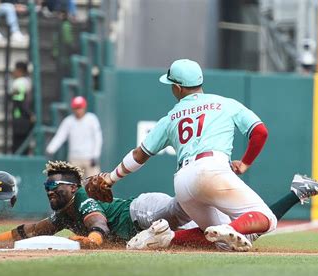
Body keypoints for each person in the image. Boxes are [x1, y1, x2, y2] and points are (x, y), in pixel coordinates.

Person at [97, 59, 279, 252]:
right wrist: (244, 164)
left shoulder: (170, 117)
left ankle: (167, 238)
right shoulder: (225, 104)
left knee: (221, 242)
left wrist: (110, 178)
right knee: (267, 218)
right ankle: (229, 228)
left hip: (183, 183)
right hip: (213, 169)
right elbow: (260, 132)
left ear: (178, 88)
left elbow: (139, 155)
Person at [0, 160, 318, 251]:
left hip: (145, 212)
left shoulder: (81, 203)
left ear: (72, 187)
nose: (50, 190)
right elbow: (28, 232)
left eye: (56, 185)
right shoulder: (60, 215)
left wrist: (86, 243)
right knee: (225, 240)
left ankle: (219, 188)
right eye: (46, 186)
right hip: (144, 221)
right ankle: (297, 193)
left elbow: (98, 228)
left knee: (193, 211)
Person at [46, 96, 103, 178]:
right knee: (75, 186)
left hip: (89, 158)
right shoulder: (69, 121)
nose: (78, 110)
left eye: (80, 107)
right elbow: (60, 136)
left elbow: (98, 138)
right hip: (74, 159)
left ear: (84, 107)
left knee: (94, 184)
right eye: (76, 108)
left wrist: (95, 155)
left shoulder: (92, 119)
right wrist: (51, 149)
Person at [10, 60, 33, 155]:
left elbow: (18, 101)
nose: (13, 72)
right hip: (22, 118)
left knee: (19, 144)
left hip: (21, 118)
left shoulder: (19, 83)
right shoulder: (25, 82)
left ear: (20, 70)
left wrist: (29, 115)